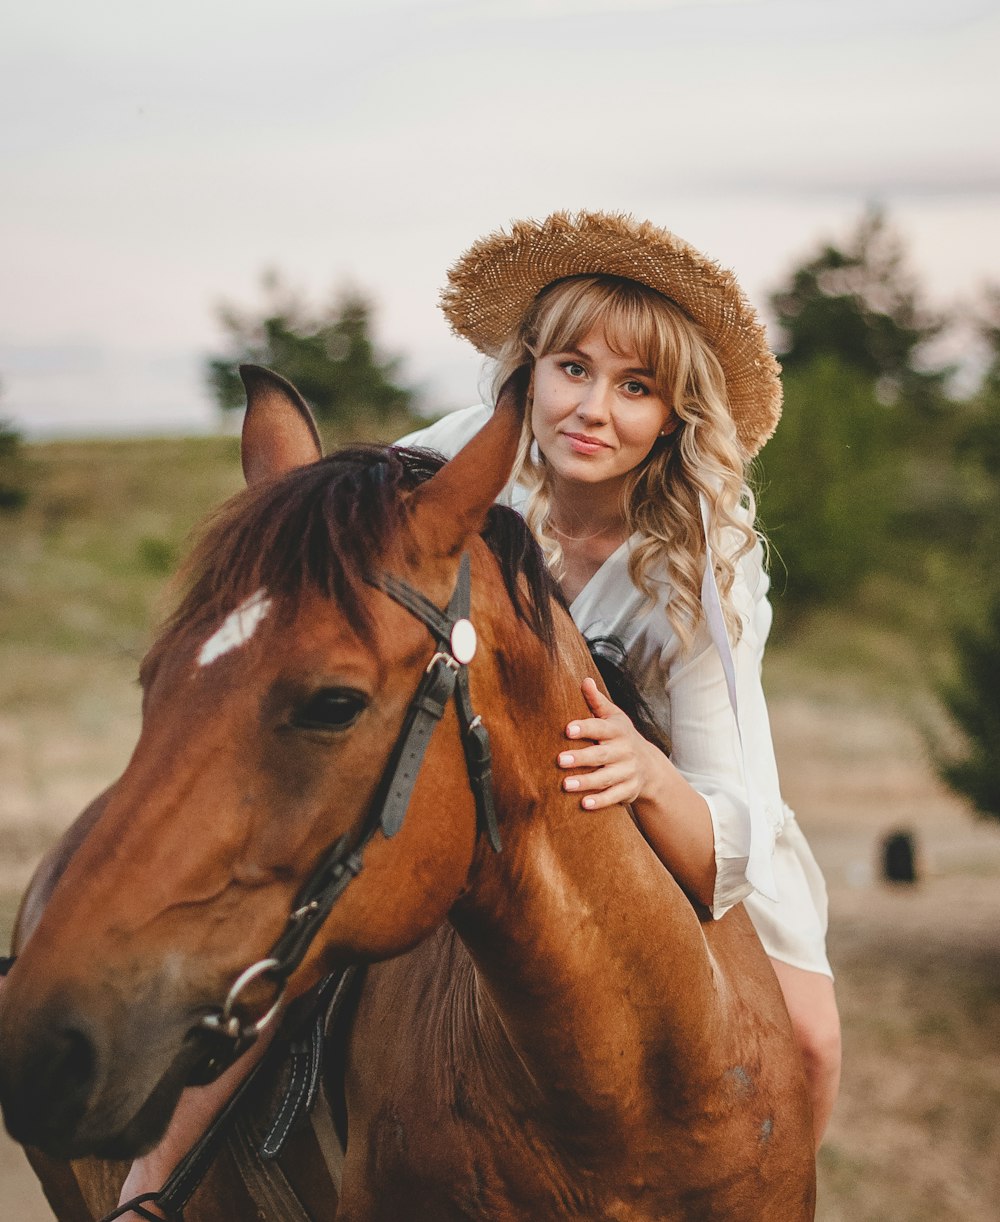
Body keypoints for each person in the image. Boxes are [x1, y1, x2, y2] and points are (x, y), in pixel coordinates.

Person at [116, 211, 840, 1217]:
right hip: (472, 773)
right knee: (301, 929)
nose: (592, 407)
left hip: (647, 798)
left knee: (804, 1037)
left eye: (636, 388)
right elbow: (346, 561)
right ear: (527, 370)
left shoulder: (704, 562)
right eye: (572, 368)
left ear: (674, 417)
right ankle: (150, 1179)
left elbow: (731, 835)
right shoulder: (461, 458)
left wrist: (646, 769)